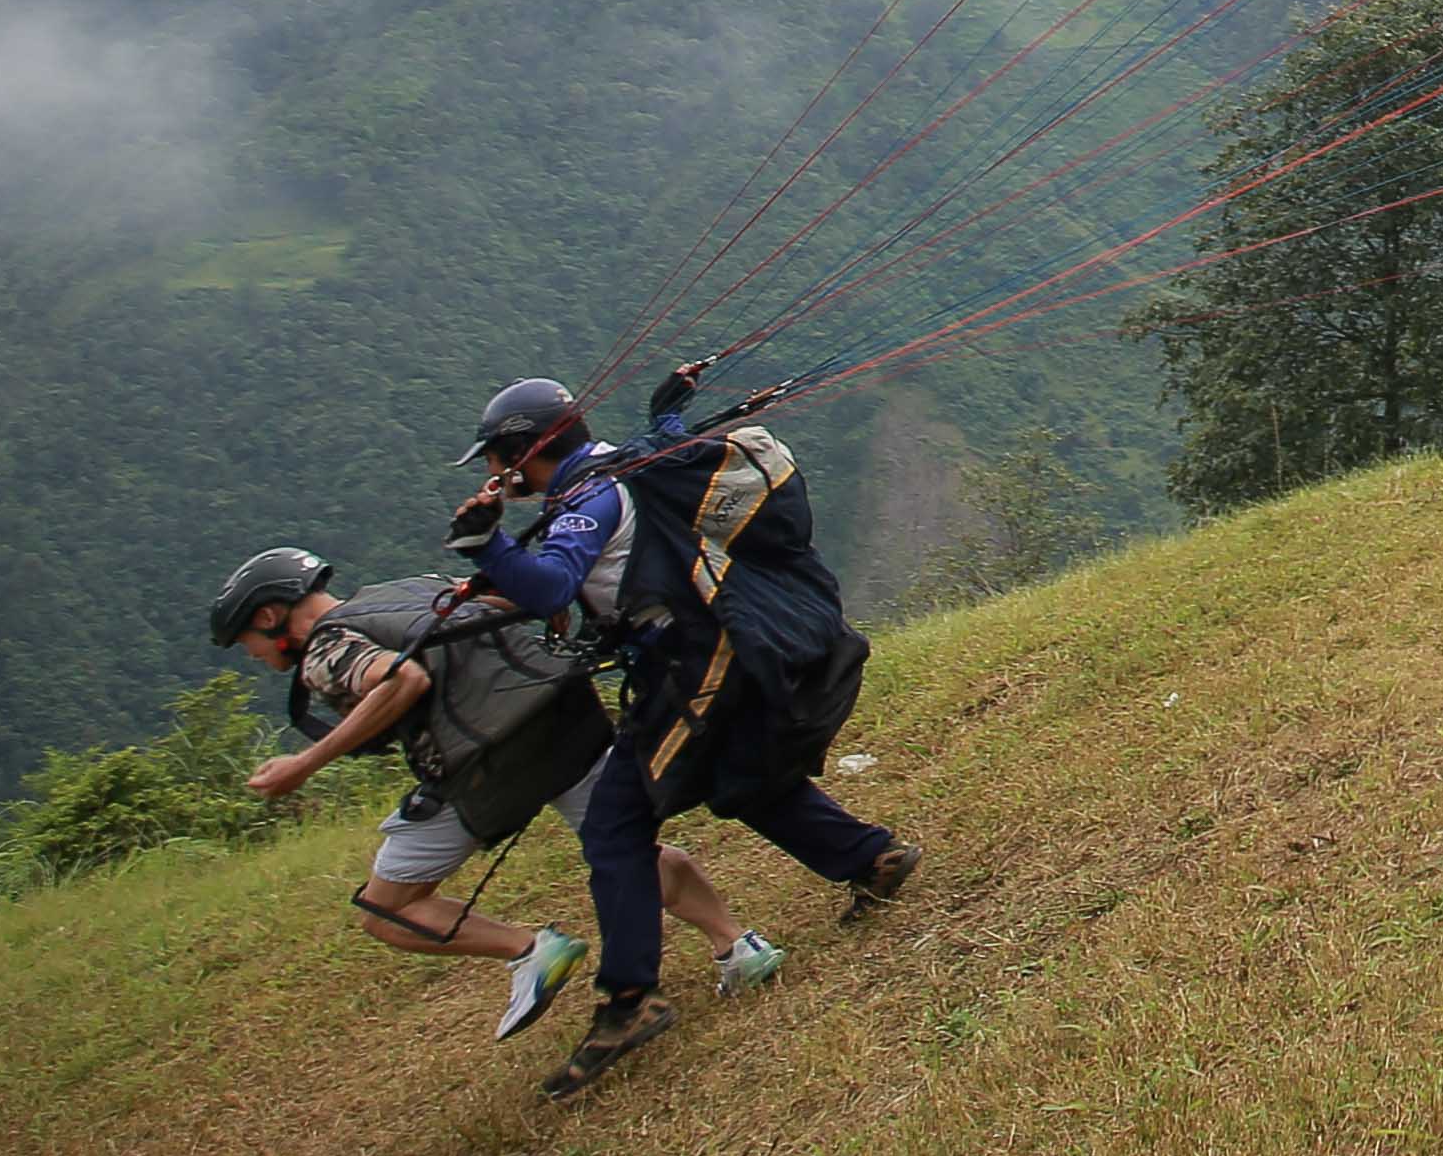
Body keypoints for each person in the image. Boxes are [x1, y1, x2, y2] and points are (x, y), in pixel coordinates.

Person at [453, 378, 921, 1103]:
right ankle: (871, 856)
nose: (495, 474)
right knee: (738, 779)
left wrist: (485, 545)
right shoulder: (617, 472)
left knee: (616, 823)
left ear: (524, 451)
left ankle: (630, 998)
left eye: (499, 459)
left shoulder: (591, 498)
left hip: (695, 662)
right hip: (702, 650)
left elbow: (550, 588)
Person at [208, 545, 777, 1041]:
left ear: (269, 615)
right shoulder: (405, 590)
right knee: (628, 851)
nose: (254, 656)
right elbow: (524, 599)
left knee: (385, 910)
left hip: (485, 765)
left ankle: (530, 951)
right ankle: (736, 945)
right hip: (560, 718)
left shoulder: (325, 650)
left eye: (248, 643)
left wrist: (304, 765)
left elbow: (403, 680)